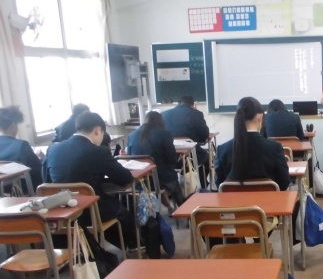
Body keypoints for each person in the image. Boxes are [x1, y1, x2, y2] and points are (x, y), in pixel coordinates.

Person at [42, 112, 137, 249]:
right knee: (122, 210)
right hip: (91, 211)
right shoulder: (98, 152)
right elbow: (125, 179)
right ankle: (132, 246)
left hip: (62, 212)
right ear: (97, 131)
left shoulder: (53, 149)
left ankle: (102, 249)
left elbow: (46, 180)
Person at [214, 97, 290, 191]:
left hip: (235, 201)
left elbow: (220, 185)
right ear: (259, 117)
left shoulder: (222, 150)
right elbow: (284, 183)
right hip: (267, 200)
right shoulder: (274, 148)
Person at [127, 111, 185, 206]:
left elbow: (130, 160)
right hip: (161, 180)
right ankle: (182, 207)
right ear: (160, 121)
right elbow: (172, 159)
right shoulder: (164, 134)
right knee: (173, 178)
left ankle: (167, 204)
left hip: (139, 182)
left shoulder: (131, 135)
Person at [161, 95, 210, 184]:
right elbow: (204, 135)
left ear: (178, 103)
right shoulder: (196, 114)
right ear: (192, 105)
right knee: (206, 157)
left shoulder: (164, 114)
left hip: (169, 157)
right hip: (190, 156)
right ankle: (201, 185)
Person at [0, 106, 42, 188]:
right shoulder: (22, 145)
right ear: (13, 125)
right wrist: (41, 158)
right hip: (23, 188)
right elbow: (37, 169)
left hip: (3, 191)